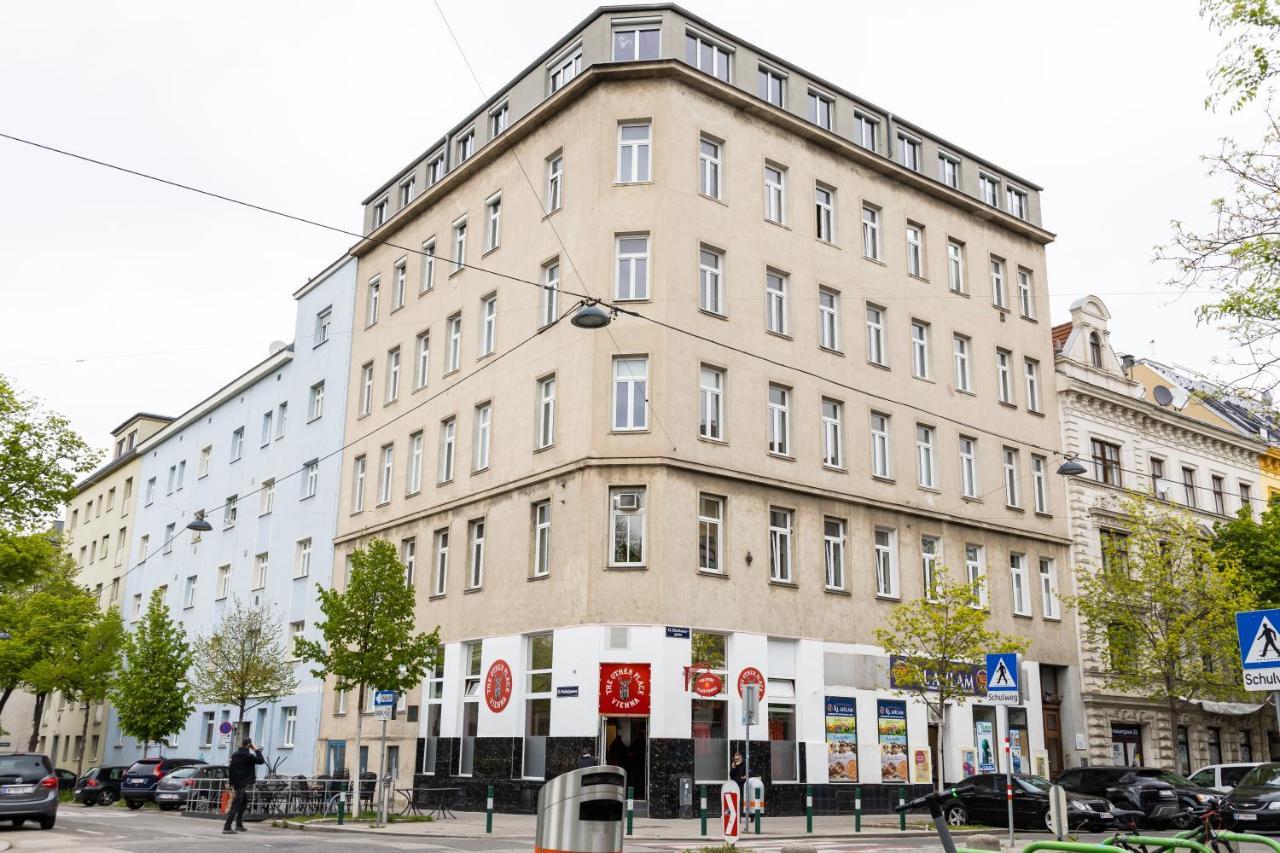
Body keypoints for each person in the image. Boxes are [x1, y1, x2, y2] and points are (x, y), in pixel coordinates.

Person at [223, 737, 265, 834]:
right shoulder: (248, 756)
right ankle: (227, 827)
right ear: (249, 745)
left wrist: (230, 784)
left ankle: (239, 824)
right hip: (242, 784)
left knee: (244, 801)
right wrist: (256, 750)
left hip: (235, 782)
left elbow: (231, 769)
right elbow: (261, 761)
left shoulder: (234, 755)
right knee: (235, 805)